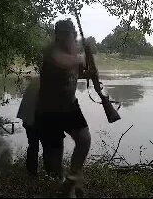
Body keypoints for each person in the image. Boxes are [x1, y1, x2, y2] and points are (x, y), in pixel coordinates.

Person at [38, 19, 92, 197]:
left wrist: (90, 70)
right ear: (58, 35)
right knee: (55, 159)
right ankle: (64, 186)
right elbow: (63, 63)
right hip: (49, 109)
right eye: (68, 34)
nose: (72, 38)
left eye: (73, 34)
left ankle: (71, 181)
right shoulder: (52, 51)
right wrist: (82, 57)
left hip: (69, 105)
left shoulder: (73, 52)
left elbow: (80, 71)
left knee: (84, 140)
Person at [17, 76, 64, 177]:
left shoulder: (35, 84)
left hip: (32, 122)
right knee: (47, 148)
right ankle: (50, 173)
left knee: (34, 147)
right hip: (41, 123)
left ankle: (32, 173)